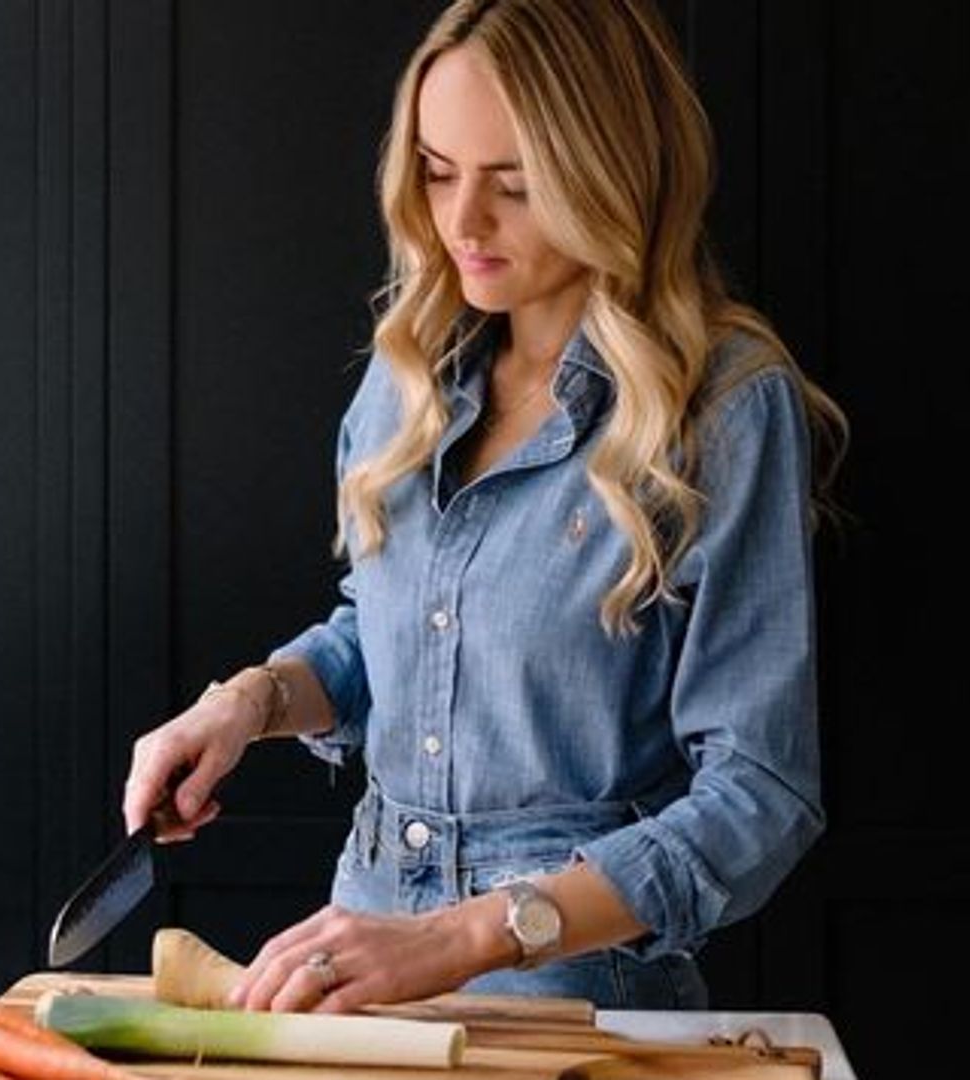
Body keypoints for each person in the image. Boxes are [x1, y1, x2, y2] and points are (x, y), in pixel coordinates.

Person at [120, 0, 849, 1014]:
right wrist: (246, 705)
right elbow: (398, 638)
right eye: (436, 170)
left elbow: (760, 796)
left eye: (514, 184)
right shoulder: (408, 372)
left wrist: (466, 936)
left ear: (611, 174)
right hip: (352, 965)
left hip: (578, 993)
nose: (461, 222)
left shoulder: (723, 406)